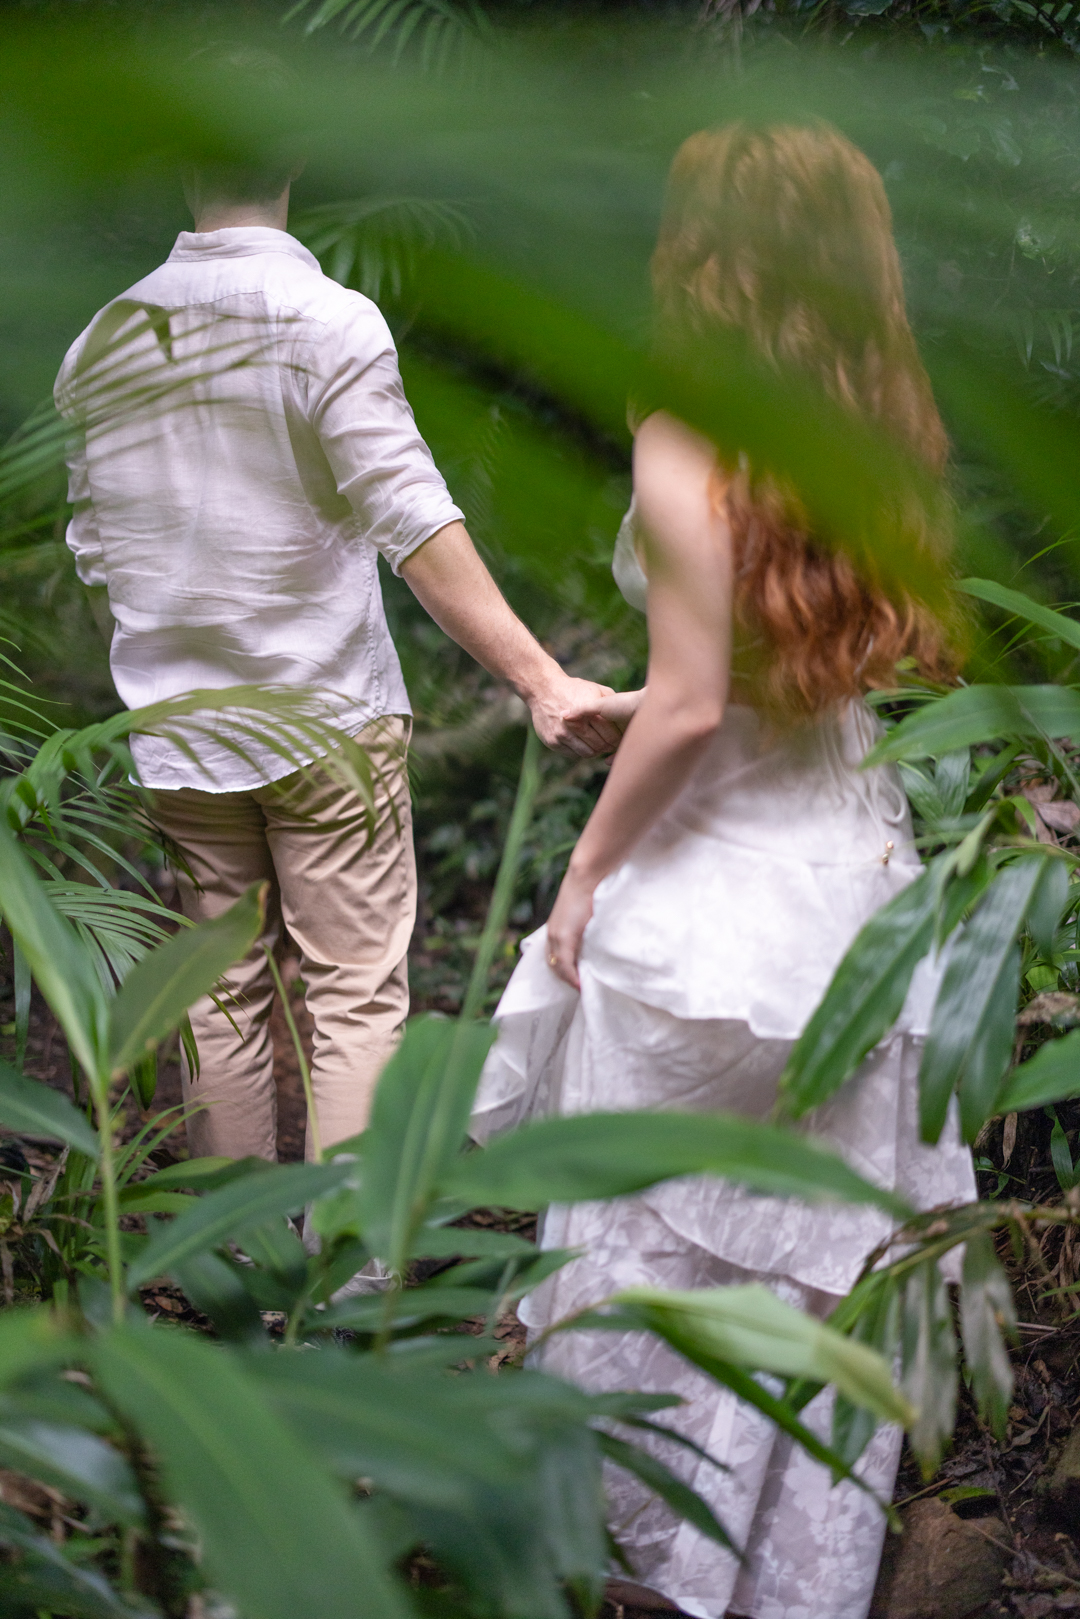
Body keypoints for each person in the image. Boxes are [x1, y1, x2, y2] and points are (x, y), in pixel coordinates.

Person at [470, 123, 976, 1619]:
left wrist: (581, 876)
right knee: (808, 1265)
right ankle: (783, 1584)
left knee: (653, 1243)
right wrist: (650, 703)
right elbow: (769, 672)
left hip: (710, 890)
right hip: (853, 883)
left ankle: (639, 1566)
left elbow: (697, 698)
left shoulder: (689, 425)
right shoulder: (880, 419)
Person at [53, 63, 620, 1166]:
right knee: (354, 995)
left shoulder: (100, 342)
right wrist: (541, 677)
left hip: (178, 727)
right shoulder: (329, 321)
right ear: (300, 162)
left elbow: (93, 545)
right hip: (327, 720)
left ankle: (234, 1270)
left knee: (215, 1000)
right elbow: (414, 525)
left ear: (179, 170)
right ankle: (354, 1281)